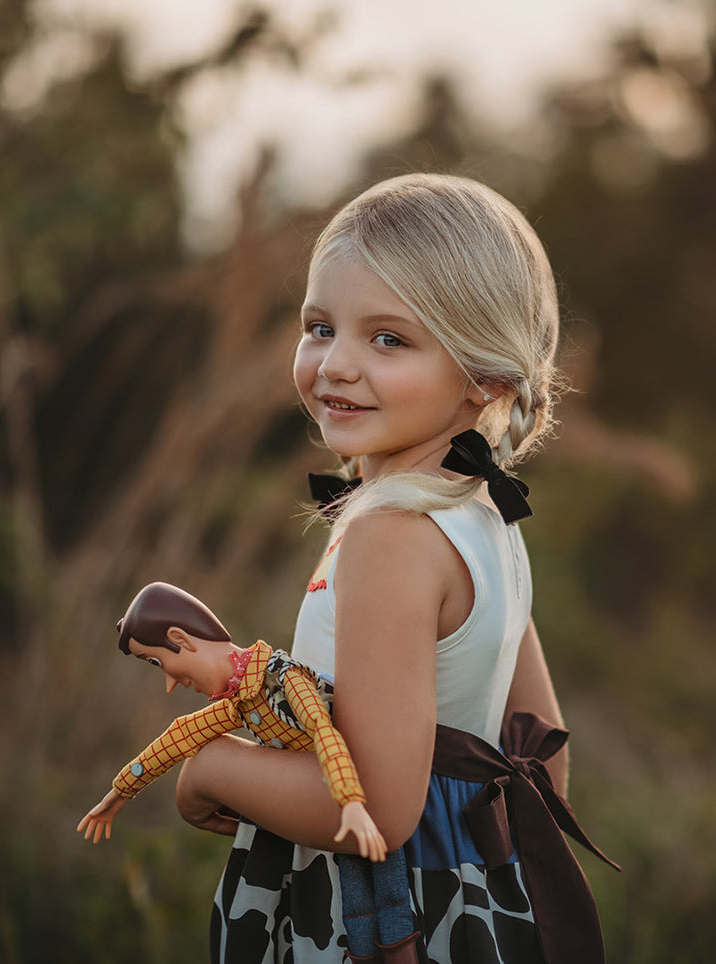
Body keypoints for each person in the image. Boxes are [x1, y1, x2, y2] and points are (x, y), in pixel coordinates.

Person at [174, 173, 616, 964]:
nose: (335, 364)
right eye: (319, 327)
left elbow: (376, 803)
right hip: (467, 907)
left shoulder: (394, 535)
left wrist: (215, 767)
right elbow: (545, 756)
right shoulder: (482, 512)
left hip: (374, 918)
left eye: (388, 339)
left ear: (484, 376)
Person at [76, 581, 415, 960]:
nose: (171, 683)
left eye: (159, 663)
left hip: (353, 789)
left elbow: (322, 729)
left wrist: (350, 800)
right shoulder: (240, 700)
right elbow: (182, 734)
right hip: (319, 811)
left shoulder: (283, 679)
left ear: (180, 638)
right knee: (350, 918)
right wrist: (120, 791)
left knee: (384, 907)